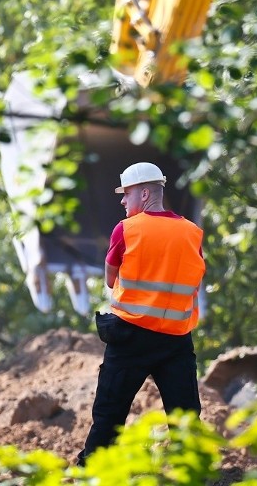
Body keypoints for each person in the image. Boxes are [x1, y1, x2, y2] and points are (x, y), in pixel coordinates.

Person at [76, 161, 206, 466]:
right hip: (176, 340)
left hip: (130, 337)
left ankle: (92, 471)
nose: (123, 201)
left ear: (145, 194)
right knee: (185, 416)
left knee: (109, 413)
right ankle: (194, 473)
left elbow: (110, 279)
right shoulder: (192, 233)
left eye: (127, 194)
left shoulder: (127, 230)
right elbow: (195, 279)